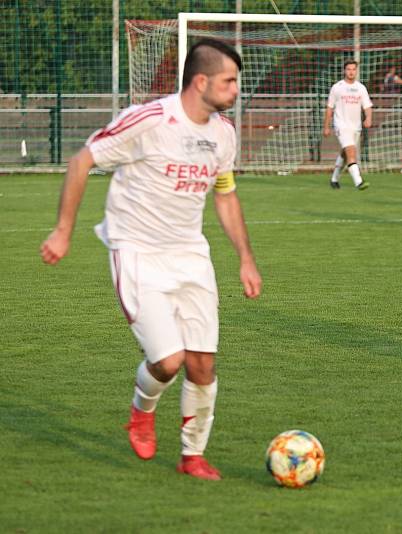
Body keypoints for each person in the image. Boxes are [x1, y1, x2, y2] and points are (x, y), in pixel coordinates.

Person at [39, 38, 263, 479]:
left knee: (202, 363)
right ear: (201, 81)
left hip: (191, 255)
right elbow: (82, 161)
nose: (236, 89)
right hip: (137, 251)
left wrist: (245, 258)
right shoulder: (150, 120)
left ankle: (192, 456)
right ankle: (142, 408)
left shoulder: (222, 134)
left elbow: (226, 194)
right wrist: (63, 231)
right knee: (168, 361)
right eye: (229, 81)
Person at [323, 60, 373, 190]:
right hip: (341, 125)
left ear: (356, 71)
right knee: (351, 153)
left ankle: (334, 179)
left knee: (345, 154)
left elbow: (367, 106)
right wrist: (327, 127)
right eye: (348, 69)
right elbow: (329, 108)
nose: (351, 72)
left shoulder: (361, 88)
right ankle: (359, 182)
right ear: (344, 71)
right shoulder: (337, 87)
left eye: (353, 69)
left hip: (355, 127)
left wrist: (368, 118)